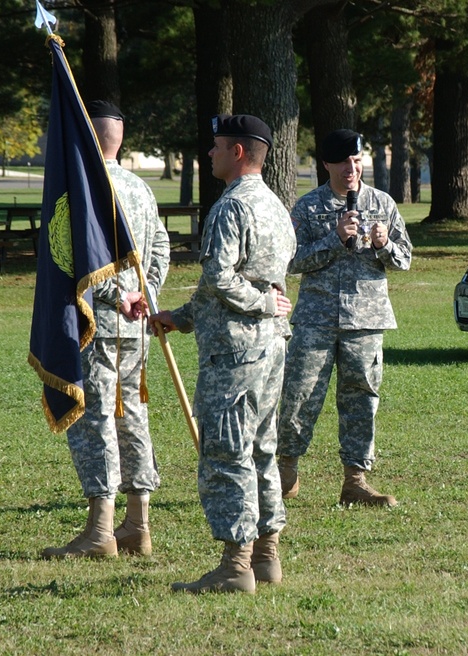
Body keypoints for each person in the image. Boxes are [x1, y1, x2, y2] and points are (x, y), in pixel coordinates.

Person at [150, 114, 296, 594]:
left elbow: (223, 279)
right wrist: (179, 316)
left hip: (236, 356)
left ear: (237, 152)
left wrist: (262, 303)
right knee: (262, 451)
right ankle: (267, 557)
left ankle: (236, 567)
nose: (207, 154)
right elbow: (250, 285)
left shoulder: (232, 207)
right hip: (271, 348)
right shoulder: (276, 206)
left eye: (215, 147)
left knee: (228, 453)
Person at [41, 100, 171, 560]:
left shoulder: (85, 189)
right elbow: (159, 248)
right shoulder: (141, 188)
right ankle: (138, 525)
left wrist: (120, 298)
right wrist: (144, 295)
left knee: (97, 420)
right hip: (135, 326)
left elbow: (84, 257)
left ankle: (100, 531)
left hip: (98, 324)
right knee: (132, 418)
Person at [277, 129, 412, 508]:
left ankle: (356, 480)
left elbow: (405, 258)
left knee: (361, 399)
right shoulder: (308, 207)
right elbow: (290, 260)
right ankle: (287, 471)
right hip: (316, 321)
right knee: (299, 395)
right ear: (327, 165)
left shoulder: (382, 203)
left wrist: (386, 245)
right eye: (344, 163)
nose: (352, 169)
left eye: (357, 161)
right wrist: (333, 239)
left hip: (366, 321)